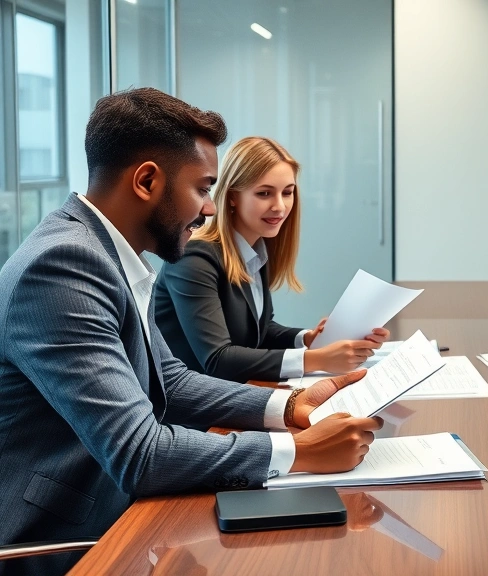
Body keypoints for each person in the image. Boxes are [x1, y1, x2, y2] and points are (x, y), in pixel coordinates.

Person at [0, 88, 382, 575]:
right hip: (63, 544)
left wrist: (286, 407)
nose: (208, 209)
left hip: (117, 515)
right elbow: (140, 453)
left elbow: (171, 380)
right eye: (203, 188)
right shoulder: (64, 266)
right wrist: (298, 451)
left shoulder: (105, 254)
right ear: (146, 182)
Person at [154, 136, 389, 383]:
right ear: (232, 196)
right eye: (265, 193)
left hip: (232, 395)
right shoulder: (195, 258)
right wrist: (316, 359)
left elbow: (259, 331)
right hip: (190, 412)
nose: (280, 206)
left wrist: (310, 338)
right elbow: (218, 359)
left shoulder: (254, 248)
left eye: (287, 193)